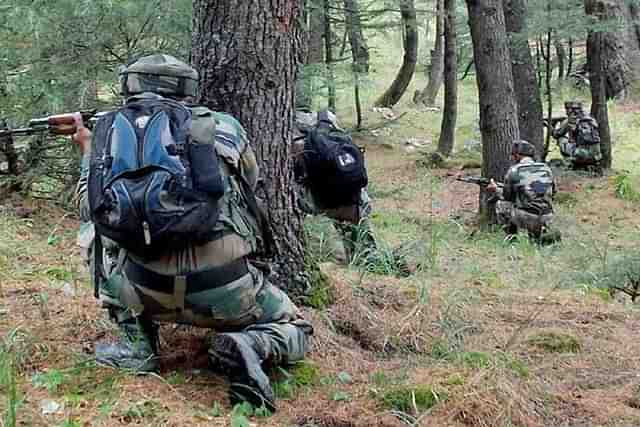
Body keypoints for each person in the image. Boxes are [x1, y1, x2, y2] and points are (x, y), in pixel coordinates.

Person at [72, 54, 312, 412]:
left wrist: (88, 151)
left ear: (130, 85)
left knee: (92, 230)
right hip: (228, 293)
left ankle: (138, 348)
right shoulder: (222, 125)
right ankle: (252, 345)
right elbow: (250, 180)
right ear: (188, 89)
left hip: (142, 289)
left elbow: (87, 205)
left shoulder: (107, 131)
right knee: (297, 330)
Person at [292, 109, 377, 264]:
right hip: (351, 198)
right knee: (362, 242)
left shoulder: (289, 128)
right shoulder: (325, 123)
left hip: (317, 194)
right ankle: (367, 261)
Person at [487, 140, 558, 243]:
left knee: (501, 204)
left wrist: (495, 189)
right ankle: (538, 235)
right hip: (548, 216)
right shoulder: (546, 168)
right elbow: (554, 192)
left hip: (527, 217)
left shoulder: (514, 170)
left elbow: (507, 197)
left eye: (513, 155)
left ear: (517, 155)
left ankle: (512, 238)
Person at [551, 101, 602, 169]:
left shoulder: (570, 120)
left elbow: (556, 135)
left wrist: (550, 126)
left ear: (570, 110)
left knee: (562, 139)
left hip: (582, 155)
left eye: (567, 109)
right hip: (596, 156)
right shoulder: (591, 119)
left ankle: (570, 160)